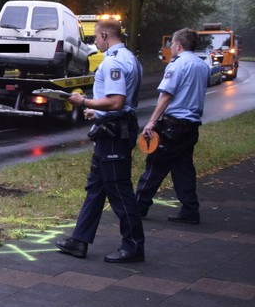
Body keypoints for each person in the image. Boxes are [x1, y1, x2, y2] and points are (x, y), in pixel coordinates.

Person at [55, 19, 145, 263]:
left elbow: (116, 101)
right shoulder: (132, 59)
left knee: (120, 190)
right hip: (115, 127)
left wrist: (83, 102)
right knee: (96, 189)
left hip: (114, 134)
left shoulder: (113, 62)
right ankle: (79, 241)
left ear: (105, 35)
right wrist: (98, 111)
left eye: (95, 37)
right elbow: (122, 104)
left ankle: (134, 246)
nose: (94, 42)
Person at [135, 28, 210, 224]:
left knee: (156, 164)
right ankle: (190, 210)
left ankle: (139, 206)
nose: (170, 48)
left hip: (173, 125)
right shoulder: (202, 66)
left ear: (178, 45)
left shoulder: (177, 65)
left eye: (172, 44)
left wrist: (151, 122)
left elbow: (167, 95)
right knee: (183, 168)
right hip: (191, 125)